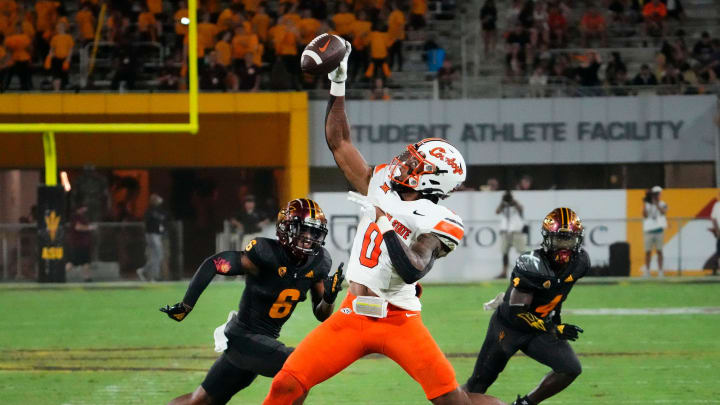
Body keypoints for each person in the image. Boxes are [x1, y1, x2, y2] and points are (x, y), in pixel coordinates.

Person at [262, 39, 502, 405]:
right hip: (351, 313)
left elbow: (412, 268)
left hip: (399, 320)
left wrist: (386, 222)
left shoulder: (443, 220)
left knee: (453, 402)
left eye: (417, 164)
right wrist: (338, 83)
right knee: (286, 385)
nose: (406, 163)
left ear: (435, 180)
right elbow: (339, 143)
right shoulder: (383, 181)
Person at [161, 198, 345, 405]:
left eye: (313, 232)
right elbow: (214, 263)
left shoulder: (319, 262)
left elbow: (321, 314)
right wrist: (186, 305)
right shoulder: (265, 253)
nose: (308, 238)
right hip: (243, 337)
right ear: (285, 228)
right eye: (302, 230)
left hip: (258, 345)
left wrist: (329, 298)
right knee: (298, 367)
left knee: (199, 402)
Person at [465, 208, 588, 405]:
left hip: (540, 328)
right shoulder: (532, 265)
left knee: (570, 368)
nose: (565, 248)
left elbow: (557, 294)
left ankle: (525, 404)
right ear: (547, 239)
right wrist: (554, 328)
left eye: (570, 240)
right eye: (559, 240)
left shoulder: (580, 262)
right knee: (476, 386)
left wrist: (554, 321)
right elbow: (517, 313)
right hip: (508, 328)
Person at [137, 194, 168, 282]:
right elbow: (147, 223)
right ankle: (152, 276)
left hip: (157, 235)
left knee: (158, 256)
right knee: (157, 255)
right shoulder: (150, 211)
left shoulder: (159, 211)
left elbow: (164, 218)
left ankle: (144, 271)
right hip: (152, 235)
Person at [497, 191, 527, 279]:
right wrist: (503, 202)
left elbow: (521, 209)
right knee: (504, 252)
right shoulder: (503, 206)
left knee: (522, 252)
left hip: (517, 231)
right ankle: (504, 272)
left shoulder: (516, 205)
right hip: (505, 231)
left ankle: (525, 271)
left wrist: (514, 202)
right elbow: (497, 211)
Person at [65, 204, 96, 282]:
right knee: (72, 262)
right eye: (83, 208)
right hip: (78, 243)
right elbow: (77, 227)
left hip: (84, 243)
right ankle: (60, 275)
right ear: (79, 209)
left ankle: (87, 277)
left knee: (86, 261)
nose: (85, 209)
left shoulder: (82, 217)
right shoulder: (76, 216)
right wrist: (89, 228)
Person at [643, 186, 668, 277]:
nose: (655, 196)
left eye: (657, 194)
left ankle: (660, 271)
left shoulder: (662, 203)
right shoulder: (647, 204)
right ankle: (647, 271)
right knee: (647, 251)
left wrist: (656, 204)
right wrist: (645, 203)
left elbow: (663, 212)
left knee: (659, 251)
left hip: (659, 230)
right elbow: (645, 215)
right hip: (648, 230)